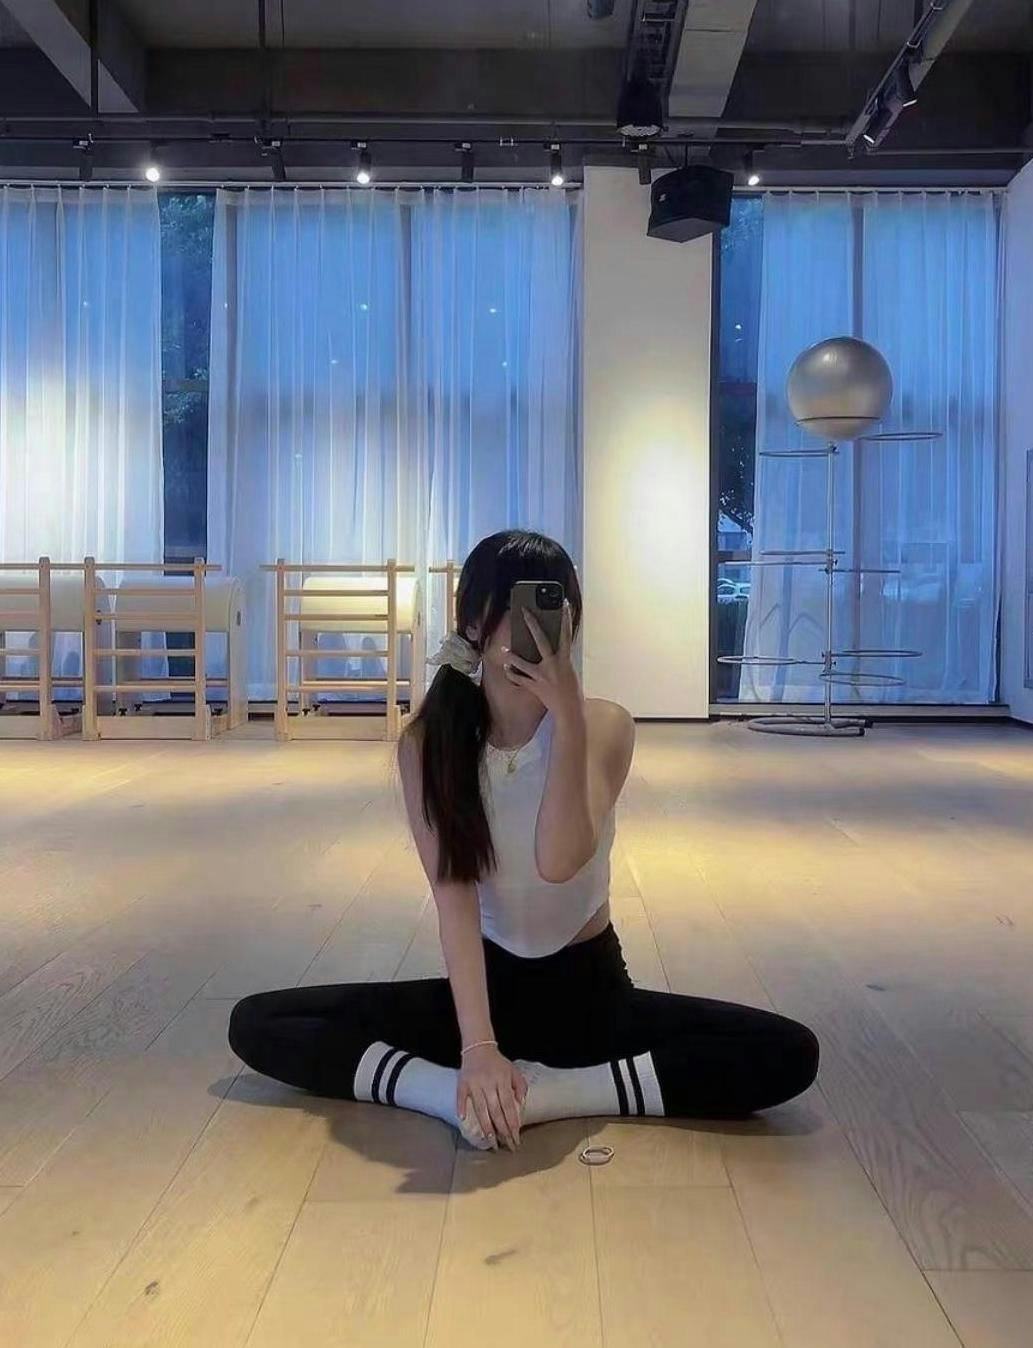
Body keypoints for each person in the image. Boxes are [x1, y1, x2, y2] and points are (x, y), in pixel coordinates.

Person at [229, 529, 819, 1152]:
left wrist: (568, 717)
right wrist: (478, 1048)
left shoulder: (605, 725)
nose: (531, 624)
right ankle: (446, 1094)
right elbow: (454, 900)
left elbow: (559, 860)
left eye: (550, 605)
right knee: (261, 1022)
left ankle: (553, 1096)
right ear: (473, 624)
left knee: (787, 1052)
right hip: (482, 994)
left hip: (590, 995)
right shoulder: (430, 744)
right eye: (513, 605)